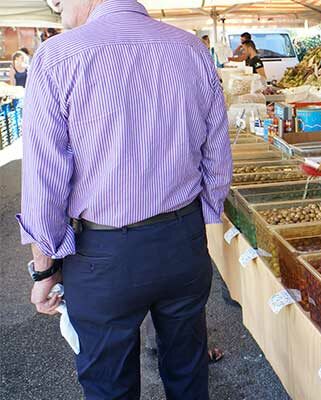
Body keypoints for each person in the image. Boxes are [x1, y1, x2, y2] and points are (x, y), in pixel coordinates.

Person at [19, 1, 231, 399]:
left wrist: (44, 269)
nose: (54, 4)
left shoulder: (58, 56)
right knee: (188, 372)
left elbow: (43, 179)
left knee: (109, 385)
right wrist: (200, 221)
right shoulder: (190, 49)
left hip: (101, 253)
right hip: (182, 240)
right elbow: (217, 156)